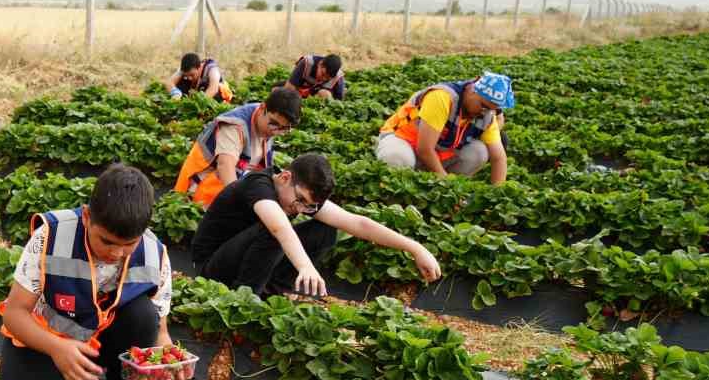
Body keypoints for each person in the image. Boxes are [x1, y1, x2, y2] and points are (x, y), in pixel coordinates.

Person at [0, 163, 193, 380]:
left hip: (104, 343)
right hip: (45, 336)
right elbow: (14, 313)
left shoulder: (154, 253)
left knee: (145, 316)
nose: (116, 253)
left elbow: (160, 331)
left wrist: (168, 360)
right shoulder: (52, 236)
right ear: (88, 217)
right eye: (107, 241)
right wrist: (57, 348)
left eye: (128, 245)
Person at [190, 153, 443, 297]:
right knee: (275, 229)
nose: (300, 209)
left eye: (308, 206)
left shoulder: (298, 197)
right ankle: (244, 299)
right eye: (299, 200)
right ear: (286, 177)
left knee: (325, 230)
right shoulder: (259, 185)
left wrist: (415, 248)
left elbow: (357, 223)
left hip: (245, 257)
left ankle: (271, 293)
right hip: (212, 266)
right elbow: (279, 227)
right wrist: (305, 266)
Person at [173, 85, 302, 209]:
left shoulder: (268, 121)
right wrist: (238, 204)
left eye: (284, 129)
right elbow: (225, 166)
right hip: (203, 189)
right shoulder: (234, 126)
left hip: (240, 178)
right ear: (263, 107)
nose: (276, 132)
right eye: (274, 124)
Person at [374, 72, 514, 185]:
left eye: (491, 110)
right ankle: (397, 195)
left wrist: (497, 194)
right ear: (472, 90)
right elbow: (425, 149)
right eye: (483, 105)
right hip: (402, 139)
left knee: (479, 152)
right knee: (398, 158)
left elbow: (499, 158)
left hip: (436, 150)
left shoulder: (487, 114)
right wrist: (447, 185)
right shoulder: (442, 97)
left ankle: (432, 186)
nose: (485, 112)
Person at [167, 52, 234, 101]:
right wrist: (175, 93)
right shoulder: (185, 68)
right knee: (180, 83)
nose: (190, 78)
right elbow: (169, 82)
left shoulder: (212, 69)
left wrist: (197, 103)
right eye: (187, 76)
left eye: (192, 75)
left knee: (215, 91)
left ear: (199, 68)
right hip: (197, 91)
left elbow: (213, 89)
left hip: (217, 93)